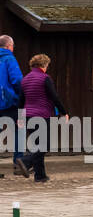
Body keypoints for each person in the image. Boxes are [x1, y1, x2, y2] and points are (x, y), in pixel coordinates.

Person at [13, 55, 64, 183]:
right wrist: (64, 112)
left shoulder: (25, 79)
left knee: (37, 146)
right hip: (41, 115)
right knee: (44, 146)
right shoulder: (45, 78)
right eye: (47, 66)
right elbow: (54, 97)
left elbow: (21, 100)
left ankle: (40, 176)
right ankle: (25, 161)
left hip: (29, 116)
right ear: (44, 65)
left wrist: (20, 117)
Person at [0, 34, 25, 174]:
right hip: (10, 103)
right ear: (9, 46)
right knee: (19, 131)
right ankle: (18, 164)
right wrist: (22, 98)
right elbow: (17, 80)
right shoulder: (9, 58)